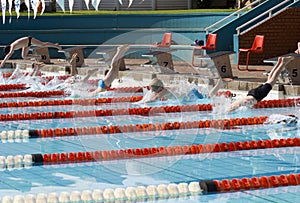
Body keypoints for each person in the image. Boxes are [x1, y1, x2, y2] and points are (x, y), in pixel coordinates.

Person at [228, 56, 294, 112]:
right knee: (269, 79)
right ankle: (279, 62)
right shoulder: (231, 105)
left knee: (272, 79)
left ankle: (283, 63)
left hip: (256, 96)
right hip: (253, 94)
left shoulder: (231, 108)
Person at [140, 77, 226, 103]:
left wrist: (142, 103)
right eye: (152, 89)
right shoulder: (163, 87)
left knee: (208, 98)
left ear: (160, 87)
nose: (153, 91)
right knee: (207, 97)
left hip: (190, 94)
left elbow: (155, 99)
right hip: (188, 93)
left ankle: (219, 84)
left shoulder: (164, 91)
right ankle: (218, 84)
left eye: (155, 89)